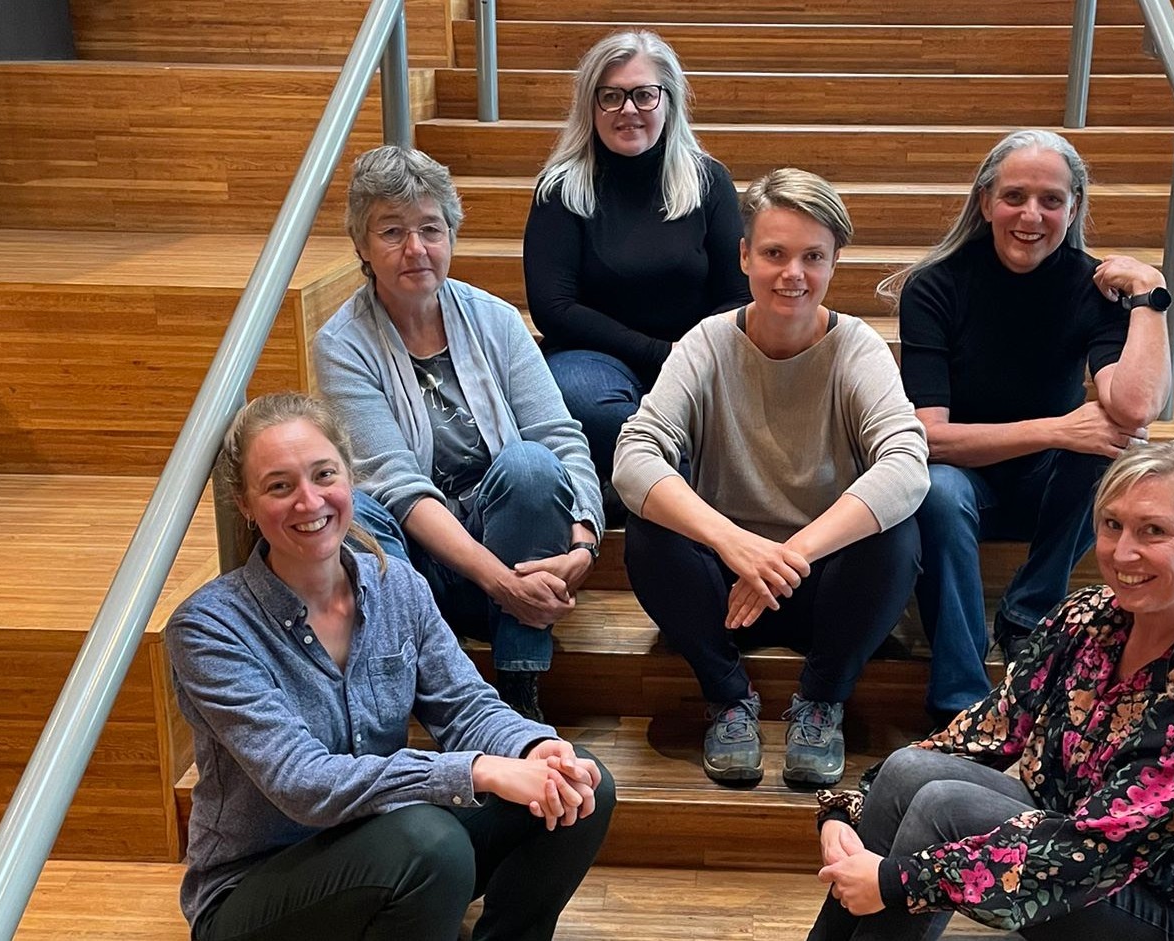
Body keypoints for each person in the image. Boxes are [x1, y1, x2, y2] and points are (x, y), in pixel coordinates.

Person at [165, 392, 614, 941]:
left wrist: (528, 747)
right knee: (430, 844)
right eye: (280, 486)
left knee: (578, 784)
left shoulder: (397, 586)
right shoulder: (210, 629)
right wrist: (474, 770)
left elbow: (466, 707)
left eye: (323, 474)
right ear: (246, 504)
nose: (309, 501)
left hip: (382, 838)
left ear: (349, 476)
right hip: (254, 892)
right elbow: (302, 783)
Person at [807, 440, 1174, 941]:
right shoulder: (1086, 616)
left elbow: (1102, 849)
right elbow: (981, 733)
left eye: (1154, 531)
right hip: (1083, 844)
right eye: (1111, 524)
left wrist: (897, 881)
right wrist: (847, 810)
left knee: (943, 809)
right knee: (910, 770)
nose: (1123, 552)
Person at [612, 168, 928, 788]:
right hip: (724, 590)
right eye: (776, 254)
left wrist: (790, 554)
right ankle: (728, 697)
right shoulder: (706, 342)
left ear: (836, 261)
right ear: (744, 257)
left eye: (814, 256)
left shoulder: (858, 347)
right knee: (649, 528)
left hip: (824, 583)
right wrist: (735, 544)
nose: (794, 275)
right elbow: (635, 455)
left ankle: (822, 699)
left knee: (898, 531)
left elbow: (906, 463)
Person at [886, 128, 1173, 724]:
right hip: (969, 480)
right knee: (936, 491)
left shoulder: (1092, 287)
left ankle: (1027, 615)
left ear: (1074, 209)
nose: (1031, 215)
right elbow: (929, 439)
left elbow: (1137, 407)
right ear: (987, 202)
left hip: (1051, 491)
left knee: (1109, 446)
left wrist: (1148, 296)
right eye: (1015, 196)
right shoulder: (936, 285)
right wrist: (1055, 429)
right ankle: (960, 703)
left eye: (1051, 200)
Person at [315, 145, 605, 721]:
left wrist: (585, 542)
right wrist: (501, 584)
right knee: (358, 511)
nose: (416, 249)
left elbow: (560, 437)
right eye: (392, 231)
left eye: (430, 228)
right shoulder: (341, 344)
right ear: (362, 248)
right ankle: (410, 679)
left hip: (515, 544)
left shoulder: (494, 318)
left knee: (530, 464)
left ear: (451, 235)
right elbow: (398, 486)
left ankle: (520, 690)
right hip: (420, 566)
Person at [525, 29, 751, 501]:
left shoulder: (709, 181)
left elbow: (738, 294)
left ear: (668, 101)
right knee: (584, 403)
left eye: (644, 95)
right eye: (611, 96)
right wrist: (655, 353)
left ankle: (642, 489)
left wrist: (686, 356)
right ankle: (688, 496)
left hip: (699, 356)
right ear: (591, 106)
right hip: (594, 359)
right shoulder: (561, 189)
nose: (628, 110)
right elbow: (554, 308)